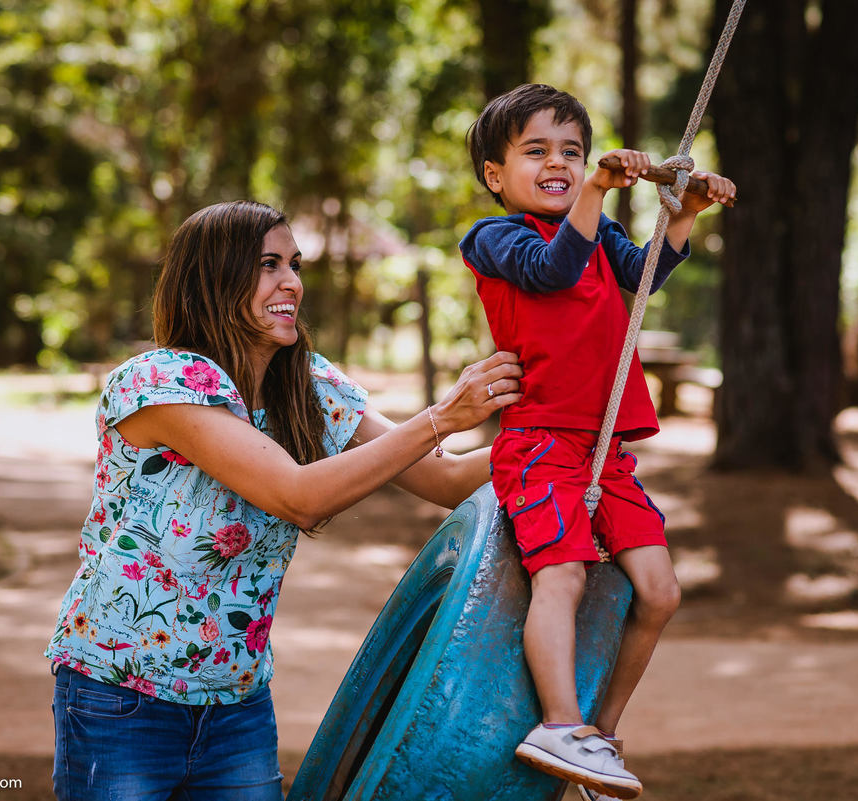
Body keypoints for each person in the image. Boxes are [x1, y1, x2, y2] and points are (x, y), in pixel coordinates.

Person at [45, 199, 522, 801]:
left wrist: (563, 447)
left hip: (237, 703)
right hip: (120, 696)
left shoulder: (309, 385)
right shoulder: (161, 381)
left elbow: (447, 482)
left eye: (294, 265)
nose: (292, 282)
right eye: (269, 265)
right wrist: (442, 416)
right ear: (215, 279)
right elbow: (296, 496)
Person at [459, 84, 735, 799]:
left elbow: (645, 279)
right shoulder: (495, 238)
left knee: (660, 589)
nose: (560, 164)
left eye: (572, 152)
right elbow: (550, 272)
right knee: (565, 575)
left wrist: (686, 217)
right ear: (497, 174)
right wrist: (597, 192)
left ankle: (600, 734)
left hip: (603, 451)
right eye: (538, 151)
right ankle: (559, 721)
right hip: (539, 442)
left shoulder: (595, 231)